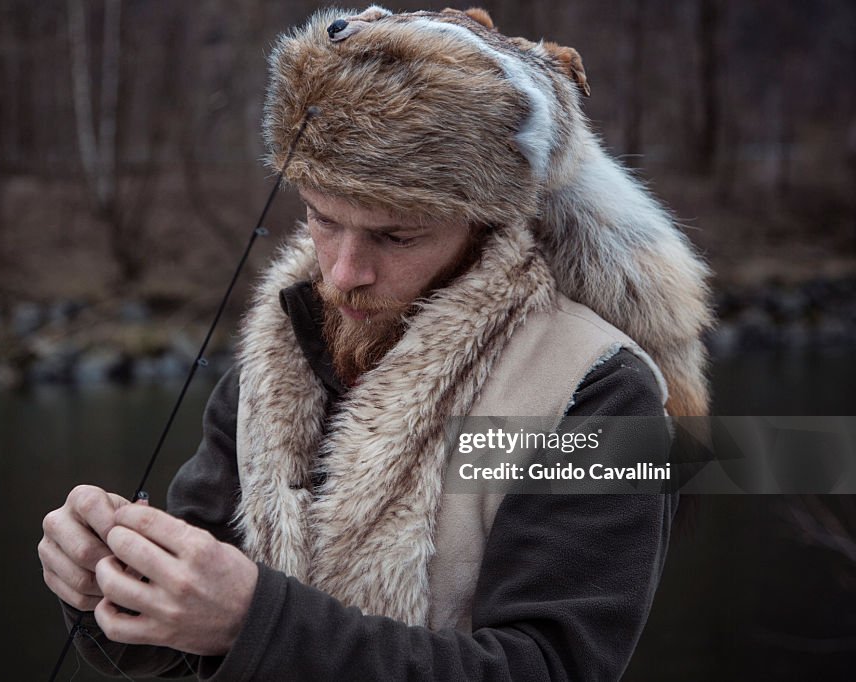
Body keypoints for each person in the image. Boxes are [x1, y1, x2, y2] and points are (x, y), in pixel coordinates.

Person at [38, 6, 712, 680]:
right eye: (323, 219)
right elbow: (181, 642)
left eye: (397, 235)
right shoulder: (282, 342)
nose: (343, 275)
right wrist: (110, 585)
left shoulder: (600, 387)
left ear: (484, 218)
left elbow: (549, 668)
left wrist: (254, 622)